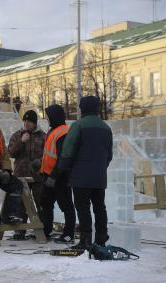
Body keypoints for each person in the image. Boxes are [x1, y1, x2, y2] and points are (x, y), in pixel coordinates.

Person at [58, 96, 113, 250]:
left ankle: (86, 239)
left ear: (82, 108)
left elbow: (68, 150)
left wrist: (63, 167)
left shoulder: (78, 125)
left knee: (83, 207)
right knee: (99, 207)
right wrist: (100, 168)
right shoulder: (106, 128)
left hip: (81, 176)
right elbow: (109, 155)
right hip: (99, 176)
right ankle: (101, 237)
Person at [40, 105, 76, 242]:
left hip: (61, 176)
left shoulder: (63, 132)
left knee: (66, 205)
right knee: (45, 201)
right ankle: (46, 229)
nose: (47, 119)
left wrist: (54, 176)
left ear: (55, 117)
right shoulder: (53, 131)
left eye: (49, 116)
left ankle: (68, 233)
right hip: (50, 175)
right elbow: (51, 154)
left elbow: (62, 157)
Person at [8, 110, 46, 240]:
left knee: (41, 202)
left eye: (29, 121)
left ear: (35, 123)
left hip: (38, 176)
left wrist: (39, 162)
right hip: (21, 176)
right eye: (25, 121)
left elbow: (47, 155)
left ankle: (42, 229)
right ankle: (20, 230)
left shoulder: (43, 136)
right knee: (21, 204)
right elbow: (11, 153)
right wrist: (22, 142)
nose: (26, 123)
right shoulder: (17, 135)